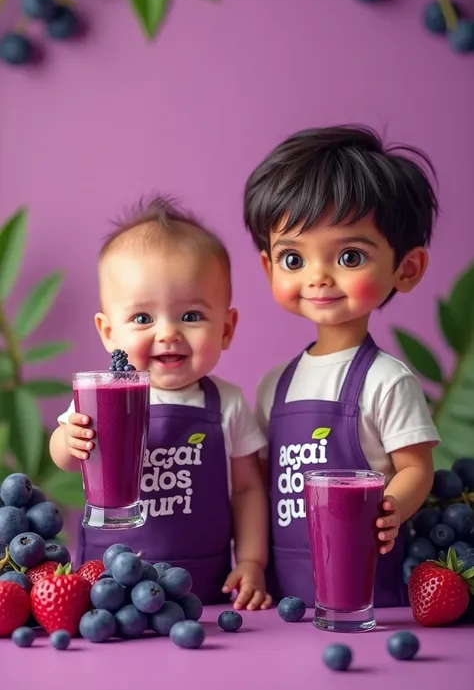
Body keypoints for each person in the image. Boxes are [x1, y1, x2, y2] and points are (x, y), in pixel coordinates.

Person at [243, 125, 440, 607]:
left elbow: (416, 467)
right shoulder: (275, 385)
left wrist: (391, 507)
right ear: (268, 267)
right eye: (293, 258)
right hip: (286, 600)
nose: (318, 277)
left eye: (349, 256)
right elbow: (263, 485)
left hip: (367, 594)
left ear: (406, 268)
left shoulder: (387, 381)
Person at [50, 196, 271, 610]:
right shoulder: (100, 396)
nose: (168, 333)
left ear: (226, 328)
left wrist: (252, 561)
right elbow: (63, 458)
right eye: (142, 318)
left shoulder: (227, 403)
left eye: (191, 316)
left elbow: (246, 490)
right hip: (108, 583)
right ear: (108, 332)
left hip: (202, 586)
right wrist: (69, 440)